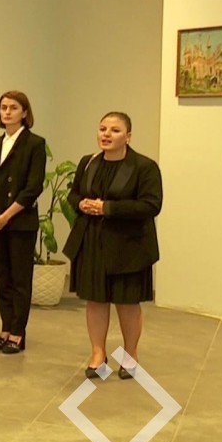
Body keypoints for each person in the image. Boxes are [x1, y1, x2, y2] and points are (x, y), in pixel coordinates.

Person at [64, 112, 162, 379]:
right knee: (95, 300)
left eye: (115, 130)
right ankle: (98, 354)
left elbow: (151, 205)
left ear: (128, 136)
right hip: (92, 241)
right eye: (102, 129)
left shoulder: (144, 166)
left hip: (129, 245)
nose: (106, 134)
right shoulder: (88, 162)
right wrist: (81, 203)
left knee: (127, 302)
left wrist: (108, 208)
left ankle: (130, 356)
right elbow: (74, 194)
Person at [0, 91, 46, 355]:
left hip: (20, 221)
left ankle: (18, 332)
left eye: (13, 107)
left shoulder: (34, 144)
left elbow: (33, 188)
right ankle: (5, 327)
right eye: (3, 107)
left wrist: (6, 216)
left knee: (20, 279)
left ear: (25, 112)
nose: (7, 112)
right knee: (2, 278)